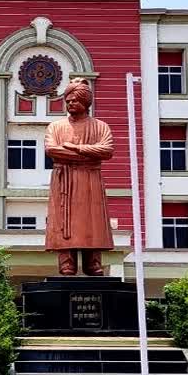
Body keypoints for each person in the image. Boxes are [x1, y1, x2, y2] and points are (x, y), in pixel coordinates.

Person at [44, 77, 114, 276]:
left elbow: (107, 150)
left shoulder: (100, 126)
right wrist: (88, 154)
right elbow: (52, 150)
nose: (70, 103)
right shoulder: (55, 127)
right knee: (64, 222)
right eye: (68, 100)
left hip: (90, 179)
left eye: (75, 100)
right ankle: (67, 263)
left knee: (92, 221)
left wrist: (76, 148)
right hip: (63, 178)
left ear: (85, 102)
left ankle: (93, 262)